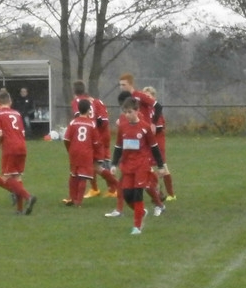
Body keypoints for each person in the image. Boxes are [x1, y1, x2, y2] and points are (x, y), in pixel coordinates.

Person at [112, 96, 167, 234]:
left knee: (138, 194)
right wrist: (114, 163)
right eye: (125, 112)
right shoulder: (123, 127)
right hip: (127, 165)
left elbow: (154, 147)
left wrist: (160, 165)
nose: (127, 115)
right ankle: (141, 211)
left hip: (141, 165)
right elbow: (118, 146)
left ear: (137, 111)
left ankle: (137, 226)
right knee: (127, 195)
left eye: (130, 112)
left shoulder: (145, 127)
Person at [70, 81, 118, 200]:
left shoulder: (77, 101)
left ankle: (114, 187)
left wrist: (91, 130)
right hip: (101, 134)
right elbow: (104, 121)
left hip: (93, 137)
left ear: (74, 91)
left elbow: (78, 117)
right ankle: (97, 189)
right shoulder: (97, 101)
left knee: (97, 166)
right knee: (94, 165)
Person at [0, 89, 36, 213]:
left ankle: (28, 197)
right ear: (10, 102)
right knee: (17, 177)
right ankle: (20, 209)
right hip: (22, 146)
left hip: (10, 147)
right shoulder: (17, 114)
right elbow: (22, 132)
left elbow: (0, 134)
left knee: (7, 178)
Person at [62, 98, 99, 206]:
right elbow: (96, 142)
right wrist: (97, 155)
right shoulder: (91, 124)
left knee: (73, 174)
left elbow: (66, 139)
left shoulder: (73, 122)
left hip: (74, 151)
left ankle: (71, 198)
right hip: (86, 152)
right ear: (89, 110)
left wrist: (69, 149)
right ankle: (78, 201)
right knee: (83, 176)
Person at [142, 86, 175, 200]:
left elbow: (159, 128)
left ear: (153, 97)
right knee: (147, 168)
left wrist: (150, 128)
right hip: (148, 144)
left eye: (148, 96)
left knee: (163, 168)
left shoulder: (155, 110)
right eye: (144, 96)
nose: (146, 98)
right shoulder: (143, 109)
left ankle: (171, 195)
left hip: (158, 143)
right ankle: (157, 191)